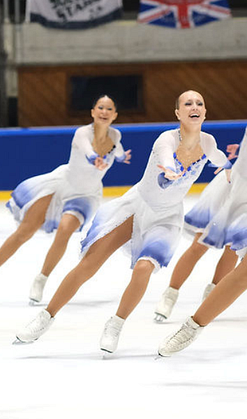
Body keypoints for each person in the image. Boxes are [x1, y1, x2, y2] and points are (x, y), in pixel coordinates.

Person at [15, 90, 233, 354]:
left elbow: (220, 158)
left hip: (167, 216)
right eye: (187, 103)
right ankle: (46, 317)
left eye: (199, 103)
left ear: (205, 112)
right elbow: (166, 156)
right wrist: (169, 168)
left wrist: (229, 168)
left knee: (144, 269)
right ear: (178, 113)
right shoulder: (166, 138)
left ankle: (116, 324)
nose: (194, 106)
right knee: (89, 263)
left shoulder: (208, 142)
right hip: (137, 207)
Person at [0, 95, 131, 304]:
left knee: (64, 229)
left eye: (109, 109)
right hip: (61, 184)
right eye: (100, 107)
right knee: (24, 231)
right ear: (92, 112)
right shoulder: (82, 133)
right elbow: (88, 151)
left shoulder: (116, 135)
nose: (104, 112)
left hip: (86, 195)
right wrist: (94, 159)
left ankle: (41, 279)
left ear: (114, 115)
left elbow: (119, 153)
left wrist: (123, 157)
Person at [158, 127, 246, 357]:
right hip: (232, 191)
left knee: (232, 253)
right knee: (201, 246)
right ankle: (174, 298)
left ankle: (210, 297)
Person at [153, 153, 239, 322]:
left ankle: (212, 297)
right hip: (230, 187)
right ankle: (170, 295)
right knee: (199, 245)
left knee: (233, 249)